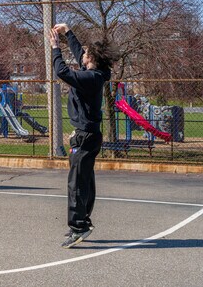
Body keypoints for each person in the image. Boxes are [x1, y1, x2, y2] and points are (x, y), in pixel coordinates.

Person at [48, 23, 118, 249]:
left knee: (76, 183)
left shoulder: (90, 78)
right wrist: (68, 32)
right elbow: (79, 52)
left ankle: (78, 227)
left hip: (85, 136)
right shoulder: (94, 73)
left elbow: (61, 72)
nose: (82, 55)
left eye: (86, 54)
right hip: (87, 135)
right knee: (85, 180)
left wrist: (55, 48)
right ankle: (83, 220)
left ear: (92, 59)